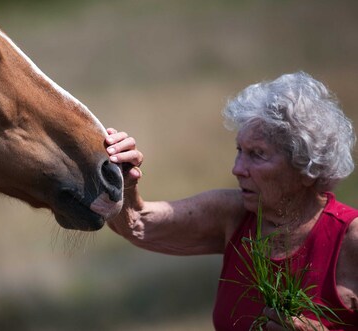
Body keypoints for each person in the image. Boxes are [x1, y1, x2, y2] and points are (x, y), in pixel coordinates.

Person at [103, 72, 358, 330]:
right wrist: (122, 175)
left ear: (307, 167)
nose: (237, 169)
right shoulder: (234, 214)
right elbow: (137, 224)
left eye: (257, 154)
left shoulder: (350, 239)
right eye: (239, 151)